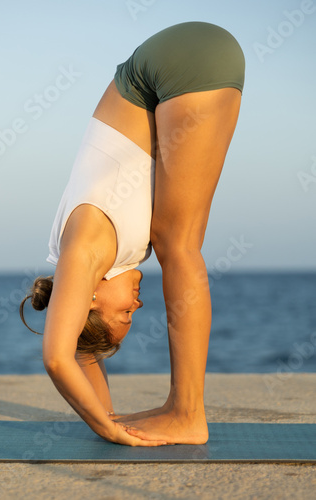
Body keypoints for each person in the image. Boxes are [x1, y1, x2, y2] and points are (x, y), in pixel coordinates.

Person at [20, 21, 245, 446]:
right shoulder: (90, 261)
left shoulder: (84, 251)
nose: (139, 304)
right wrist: (109, 416)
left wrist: (103, 429)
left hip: (179, 64)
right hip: (176, 61)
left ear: (90, 296)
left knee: (178, 245)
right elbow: (80, 348)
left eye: (126, 313)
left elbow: (56, 356)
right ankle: (179, 409)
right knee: (172, 238)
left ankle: (187, 413)